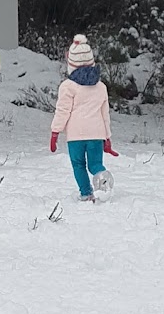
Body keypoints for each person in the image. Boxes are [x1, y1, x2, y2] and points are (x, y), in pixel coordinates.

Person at [49, 34, 118, 202]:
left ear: (71, 65)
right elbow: (105, 114)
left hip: (76, 136)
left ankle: (86, 193)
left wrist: (55, 132)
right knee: (95, 164)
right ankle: (102, 176)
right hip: (96, 134)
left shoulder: (67, 87)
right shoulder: (101, 87)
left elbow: (63, 111)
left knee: (78, 164)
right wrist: (107, 137)